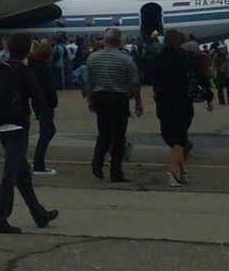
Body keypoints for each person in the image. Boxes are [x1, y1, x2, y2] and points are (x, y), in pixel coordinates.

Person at [0, 33, 59, 233]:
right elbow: (38, 100)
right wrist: (46, 119)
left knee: (22, 173)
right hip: (18, 126)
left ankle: (39, 213)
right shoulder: (25, 72)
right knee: (11, 174)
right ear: (28, 50)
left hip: (1, 125)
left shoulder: (1, 70)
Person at [83, 29, 142, 183]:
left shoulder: (93, 58)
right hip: (119, 98)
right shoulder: (126, 59)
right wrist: (138, 103)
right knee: (118, 136)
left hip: (100, 97)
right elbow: (134, 83)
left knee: (103, 133)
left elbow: (88, 81)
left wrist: (90, 100)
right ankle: (116, 171)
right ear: (119, 42)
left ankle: (97, 162)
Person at [150, 29, 203, 185]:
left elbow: (149, 76)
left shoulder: (158, 59)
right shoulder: (187, 58)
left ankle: (172, 172)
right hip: (184, 101)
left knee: (171, 137)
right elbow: (199, 77)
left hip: (164, 101)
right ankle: (182, 170)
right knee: (179, 137)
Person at [28, 39, 62, 176]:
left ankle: (38, 162)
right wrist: (53, 102)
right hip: (45, 104)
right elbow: (48, 89)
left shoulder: (33, 66)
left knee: (48, 130)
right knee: (47, 131)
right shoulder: (44, 69)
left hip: (38, 103)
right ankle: (38, 164)